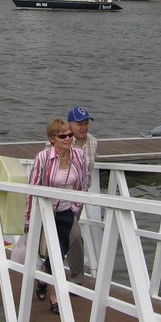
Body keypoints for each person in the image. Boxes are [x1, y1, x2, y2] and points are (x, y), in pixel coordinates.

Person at [24, 117, 87, 315]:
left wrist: (76, 208)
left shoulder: (79, 156)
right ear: (52, 139)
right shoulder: (43, 158)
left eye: (69, 135)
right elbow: (32, 188)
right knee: (56, 253)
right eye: (63, 136)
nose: (68, 138)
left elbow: (82, 185)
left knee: (71, 242)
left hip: (68, 211)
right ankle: (54, 296)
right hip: (47, 212)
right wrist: (28, 218)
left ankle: (43, 277)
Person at [65, 106, 96, 277]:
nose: (83, 127)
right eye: (79, 124)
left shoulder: (93, 142)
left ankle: (46, 271)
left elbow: (89, 172)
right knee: (75, 236)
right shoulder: (62, 141)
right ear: (70, 125)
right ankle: (77, 277)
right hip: (62, 199)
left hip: (81, 197)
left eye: (85, 123)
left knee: (67, 236)